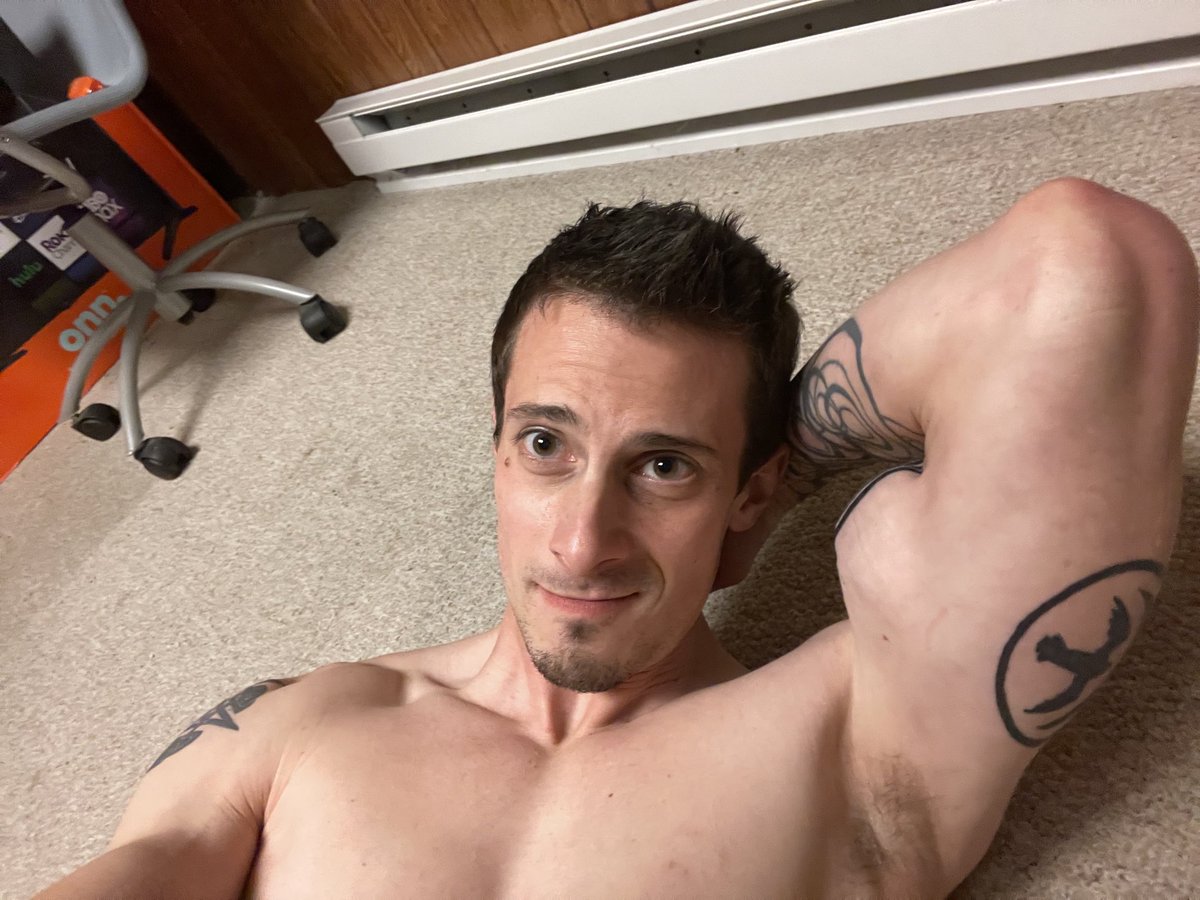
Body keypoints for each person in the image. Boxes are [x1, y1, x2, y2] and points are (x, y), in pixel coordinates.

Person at [37, 179, 1199, 898]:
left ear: (746, 491)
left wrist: (774, 484)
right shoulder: (301, 722)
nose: (583, 542)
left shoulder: (854, 745)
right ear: (496, 448)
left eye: (663, 466)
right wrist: (719, 476)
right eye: (546, 445)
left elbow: (1089, 267)